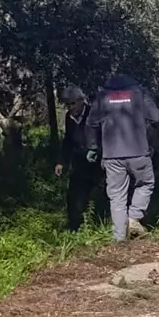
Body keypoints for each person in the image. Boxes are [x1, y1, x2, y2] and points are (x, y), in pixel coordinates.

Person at [87, 73, 159, 241]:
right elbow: (156, 117)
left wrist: (93, 148)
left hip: (112, 155)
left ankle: (120, 238)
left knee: (116, 195)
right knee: (146, 184)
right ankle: (134, 217)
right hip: (139, 152)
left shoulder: (102, 97)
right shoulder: (140, 93)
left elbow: (91, 123)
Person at [55, 85, 100, 232]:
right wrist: (62, 161)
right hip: (79, 162)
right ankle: (75, 228)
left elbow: (104, 136)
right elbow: (68, 140)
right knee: (74, 195)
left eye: (73, 103)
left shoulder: (93, 113)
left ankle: (99, 223)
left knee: (99, 195)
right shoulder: (69, 118)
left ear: (81, 100)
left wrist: (98, 151)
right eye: (67, 104)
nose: (70, 107)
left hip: (97, 162)